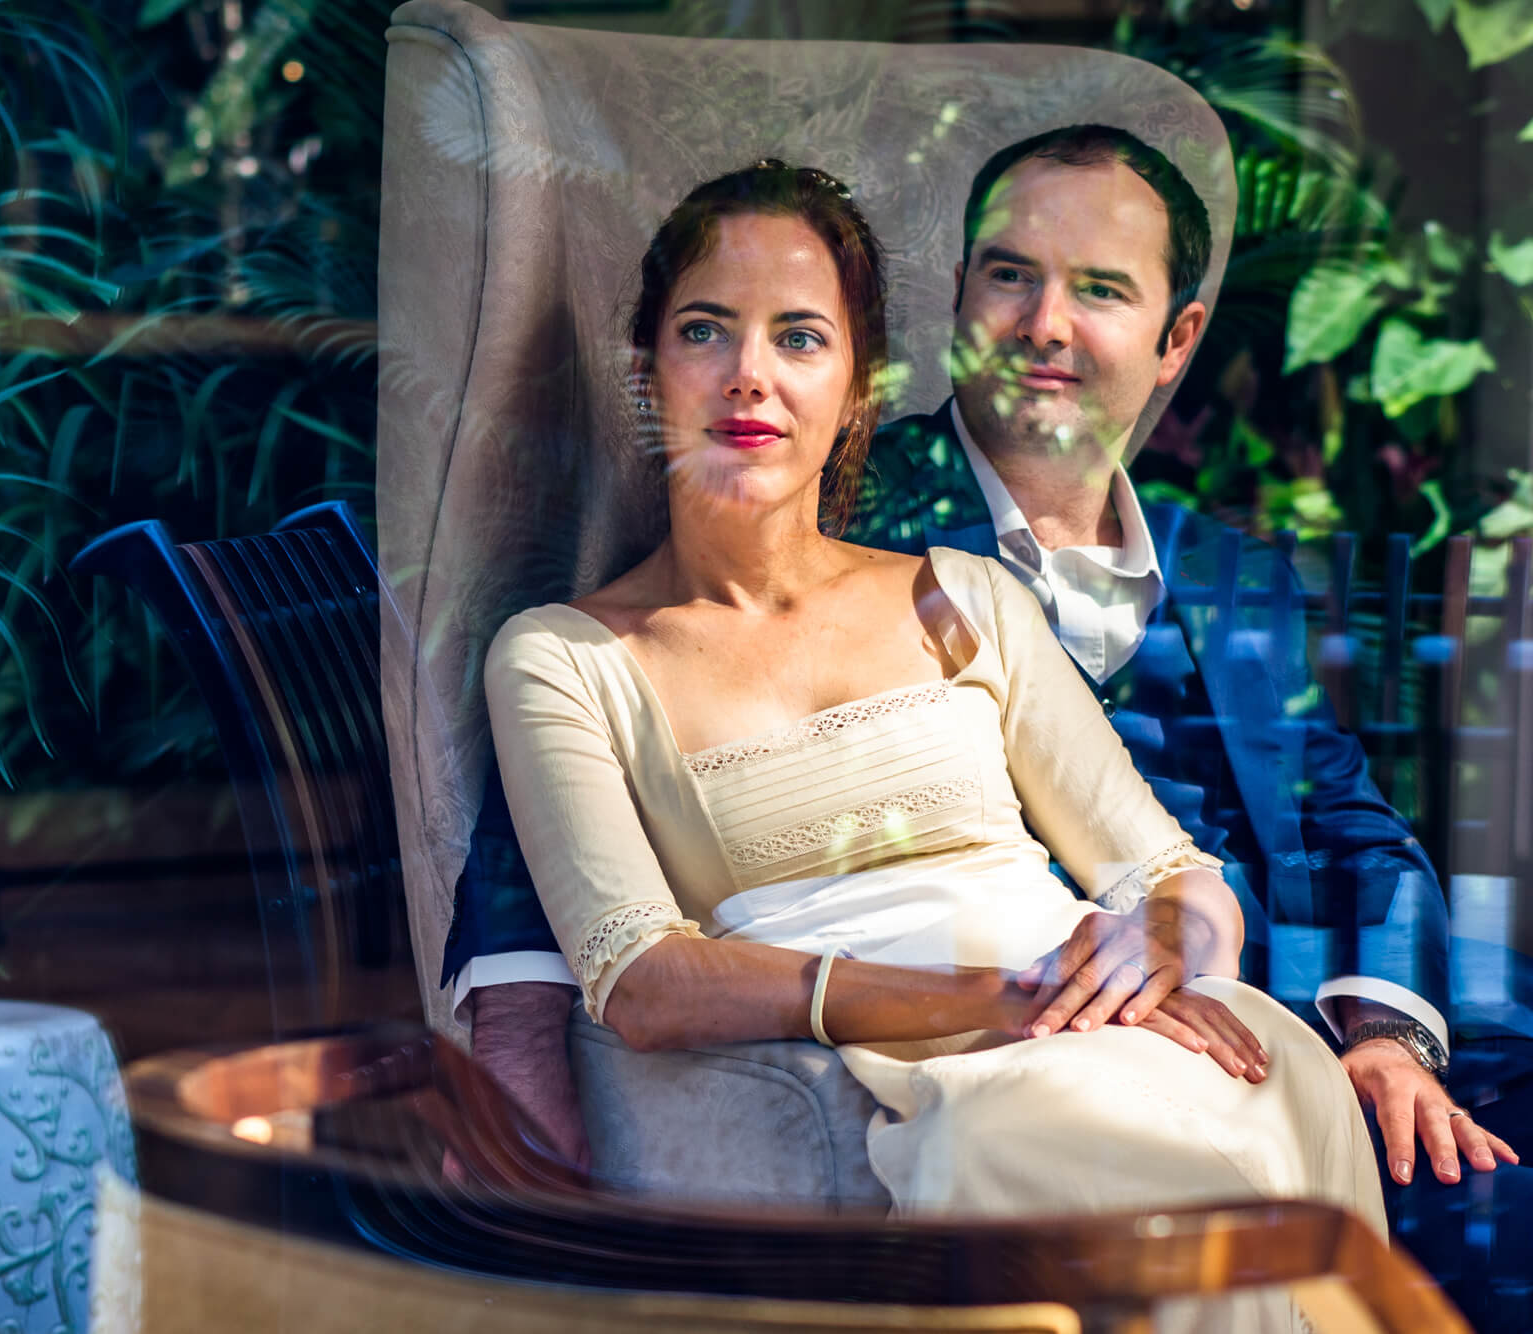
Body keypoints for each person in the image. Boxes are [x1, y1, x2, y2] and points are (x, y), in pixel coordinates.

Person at [446, 128, 1522, 1216]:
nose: (1043, 323)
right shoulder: (814, 488)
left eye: (1097, 287)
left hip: (1261, 1023)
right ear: (956, 301)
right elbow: (570, 807)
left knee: (1488, 1212)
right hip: (992, 1040)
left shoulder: (1232, 576)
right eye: (1010, 274)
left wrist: (1384, 1034)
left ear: (1175, 338)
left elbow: (1343, 825)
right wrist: (516, 1054)